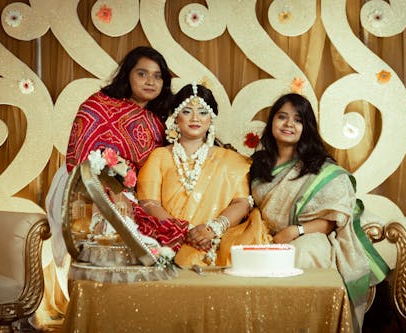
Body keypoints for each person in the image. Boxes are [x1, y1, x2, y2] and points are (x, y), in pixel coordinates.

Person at [218, 93, 389, 333]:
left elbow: (334, 220)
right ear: (272, 122)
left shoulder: (320, 166)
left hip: (310, 235)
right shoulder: (257, 163)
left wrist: (295, 230)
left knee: (304, 253)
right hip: (265, 235)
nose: (288, 124)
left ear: (305, 128)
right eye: (282, 117)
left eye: (297, 120)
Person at [39, 46, 173, 328]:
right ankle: (93, 321)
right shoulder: (96, 104)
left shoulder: (159, 121)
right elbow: (81, 157)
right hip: (83, 188)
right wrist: (110, 193)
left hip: (131, 195)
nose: (150, 81)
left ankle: (134, 320)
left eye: (158, 76)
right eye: (142, 73)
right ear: (127, 75)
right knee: (102, 249)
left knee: (147, 243)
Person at [135, 83, 254, 267]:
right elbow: (149, 204)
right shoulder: (160, 156)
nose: (195, 118)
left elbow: (242, 203)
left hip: (216, 241)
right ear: (175, 116)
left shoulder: (232, 161)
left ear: (211, 119)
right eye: (187, 111)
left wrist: (211, 229)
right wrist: (184, 231)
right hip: (168, 240)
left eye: (203, 112)